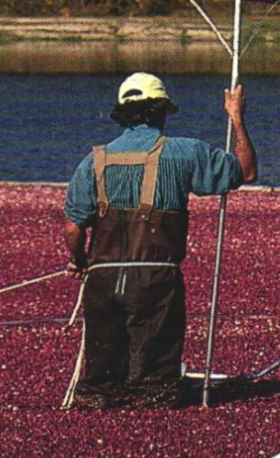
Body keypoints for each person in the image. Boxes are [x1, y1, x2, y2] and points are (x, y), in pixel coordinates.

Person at [63, 73, 256, 407]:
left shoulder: (92, 162)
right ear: (162, 111)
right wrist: (236, 118)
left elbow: (73, 228)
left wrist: (79, 259)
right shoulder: (184, 153)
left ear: (122, 113)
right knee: (155, 387)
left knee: (102, 382)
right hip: (156, 278)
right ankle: (152, 399)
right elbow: (246, 170)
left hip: (103, 278)